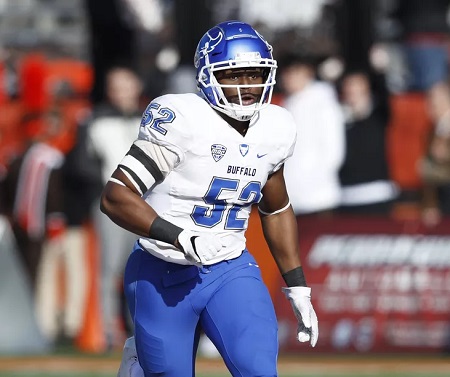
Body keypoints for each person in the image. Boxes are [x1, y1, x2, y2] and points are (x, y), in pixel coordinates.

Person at [100, 20, 319, 377]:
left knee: (258, 368)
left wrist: (297, 285)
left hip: (230, 267)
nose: (248, 86)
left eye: (255, 74)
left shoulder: (275, 127)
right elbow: (116, 195)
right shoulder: (182, 119)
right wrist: (180, 236)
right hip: (163, 269)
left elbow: (275, 207)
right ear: (207, 76)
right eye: (235, 75)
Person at [86, 65, 143, 349]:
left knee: (144, 267)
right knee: (110, 268)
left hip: (145, 203)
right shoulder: (95, 121)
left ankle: (140, 329)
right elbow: (84, 166)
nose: (122, 93)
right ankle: (108, 331)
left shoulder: (151, 119)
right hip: (112, 203)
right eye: (116, 87)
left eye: (126, 86)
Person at [278, 53, 345, 216]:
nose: (289, 78)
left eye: (294, 73)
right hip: (292, 200)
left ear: (308, 73)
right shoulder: (288, 104)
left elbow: (333, 150)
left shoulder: (323, 102)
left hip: (318, 200)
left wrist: (312, 181)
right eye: (286, 74)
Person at [337, 69, 399, 215]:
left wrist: (379, 71)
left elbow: (384, 96)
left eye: (357, 87)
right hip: (347, 197)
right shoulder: (337, 118)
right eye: (349, 87)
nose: (353, 91)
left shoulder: (379, 115)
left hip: (378, 195)